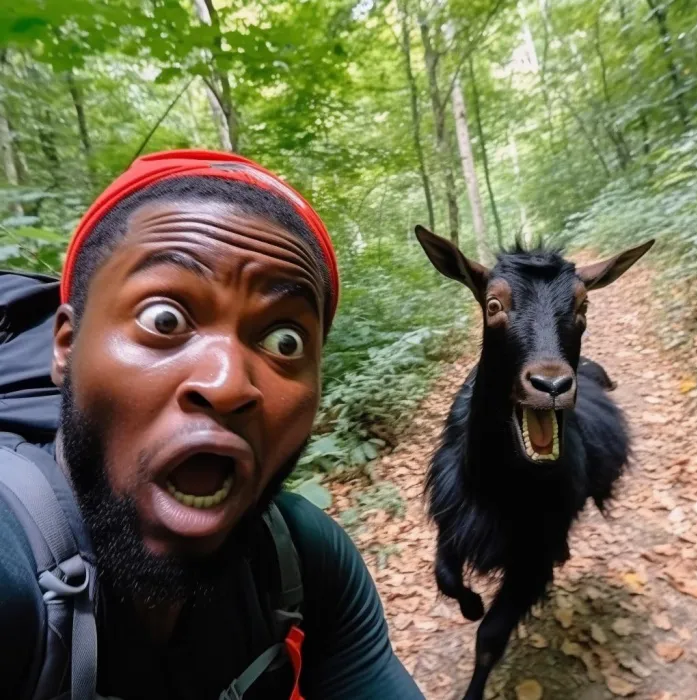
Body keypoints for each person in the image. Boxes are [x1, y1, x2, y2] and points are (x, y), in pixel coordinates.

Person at [0, 150, 424, 700]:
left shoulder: (304, 560)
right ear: (66, 346)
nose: (227, 384)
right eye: (164, 319)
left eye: (285, 342)